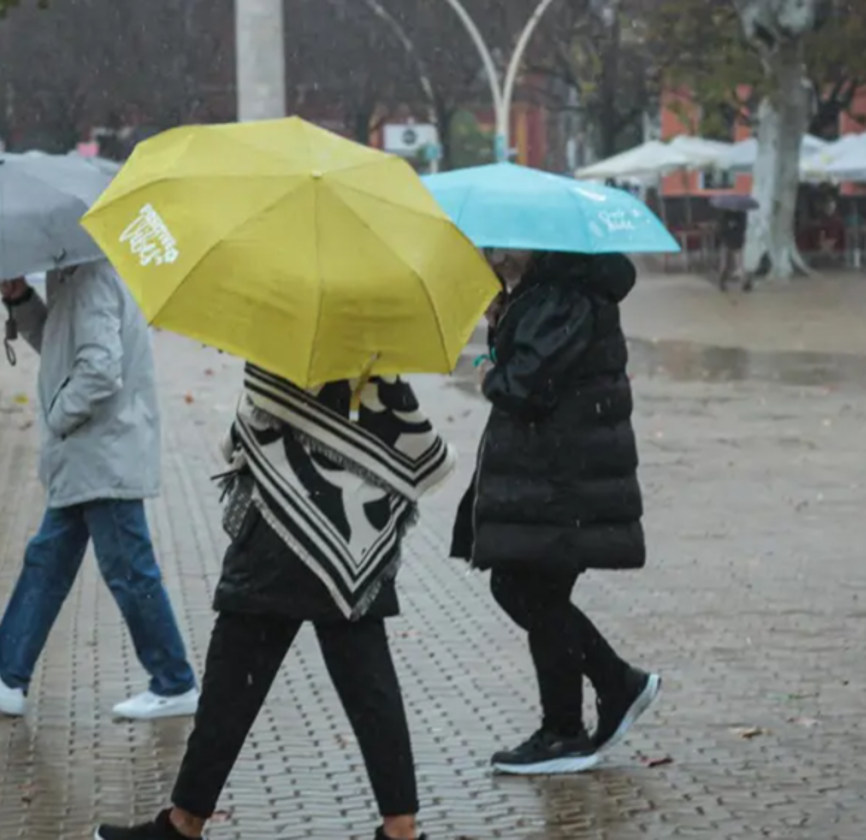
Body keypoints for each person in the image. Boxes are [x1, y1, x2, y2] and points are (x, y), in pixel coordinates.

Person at [95, 363, 455, 840]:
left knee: (232, 686)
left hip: (275, 543)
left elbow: (251, 428)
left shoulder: (290, 334)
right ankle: (401, 830)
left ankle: (183, 825)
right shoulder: (375, 339)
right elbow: (409, 441)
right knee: (369, 689)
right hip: (354, 544)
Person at [0, 262, 199, 721]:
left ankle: (174, 681)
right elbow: (62, 349)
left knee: (129, 570)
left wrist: (58, 416)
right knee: (48, 562)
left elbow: (100, 367)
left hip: (103, 452)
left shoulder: (92, 277)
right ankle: (6, 677)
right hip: (90, 454)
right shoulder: (72, 274)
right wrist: (21, 301)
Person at [451, 249, 661, 776]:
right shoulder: (551, 293)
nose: (490, 257)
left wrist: (493, 372)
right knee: (536, 592)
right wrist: (504, 319)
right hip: (556, 476)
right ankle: (583, 712)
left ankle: (583, 713)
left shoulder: (562, 296)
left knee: (527, 590)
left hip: (562, 480)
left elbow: (528, 386)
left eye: (496, 249)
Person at [717, 209, 749, 292]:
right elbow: (721, 227)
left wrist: (734, 226)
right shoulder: (725, 214)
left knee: (738, 264)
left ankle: (744, 282)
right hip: (728, 240)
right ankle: (722, 282)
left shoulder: (741, 214)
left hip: (736, 241)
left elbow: (743, 227)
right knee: (725, 264)